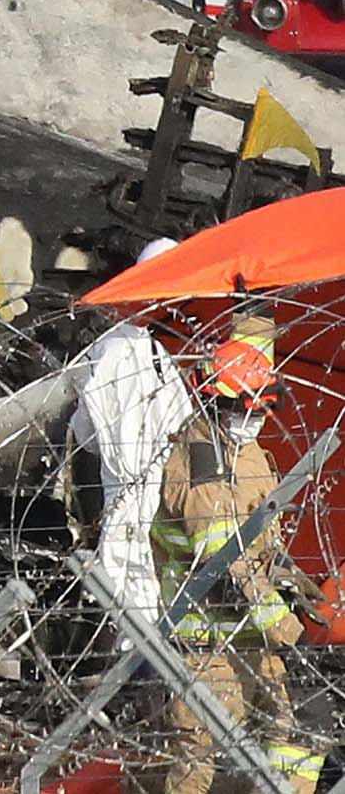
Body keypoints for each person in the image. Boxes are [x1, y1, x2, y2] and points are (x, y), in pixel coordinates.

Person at [155, 330, 324, 794]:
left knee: (300, 730)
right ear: (217, 405)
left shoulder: (247, 451)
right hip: (207, 637)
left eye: (261, 408)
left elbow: (261, 538)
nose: (255, 419)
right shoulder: (199, 465)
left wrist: (297, 586)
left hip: (257, 633)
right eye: (245, 409)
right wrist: (289, 633)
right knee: (200, 755)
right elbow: (225, 562)